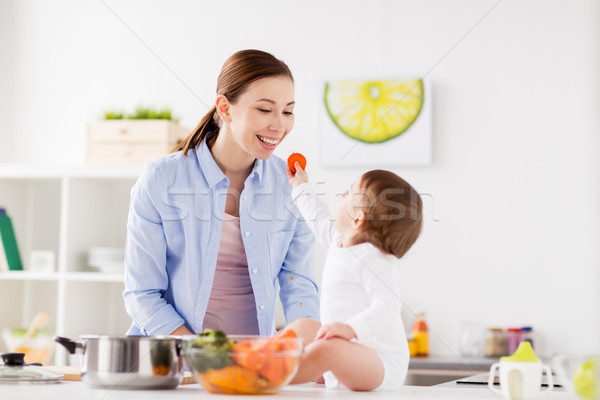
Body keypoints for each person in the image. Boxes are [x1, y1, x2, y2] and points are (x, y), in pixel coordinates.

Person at [122, 50, 320, 338]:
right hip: (173, 363)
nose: (279, 125)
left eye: (288, 111)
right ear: (225, 109)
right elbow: (142, 293)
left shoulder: (290, 186)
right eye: (265, 110)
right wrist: (201, 355)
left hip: (253, 366)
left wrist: (308, 344)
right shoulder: (161, 180)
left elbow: (299, 286)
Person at [285, 164, 423, 391]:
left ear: (358, 219)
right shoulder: (340, 242)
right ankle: (254, 357)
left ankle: (263, 375)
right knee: (301, 328)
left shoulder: (376, 259)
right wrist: (300, 186)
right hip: (348, 352)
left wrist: (352, 328)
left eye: (348, 193)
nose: (342, 195)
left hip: (380, 363)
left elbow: (388, 306)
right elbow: (317, 217)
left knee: (328, 349)